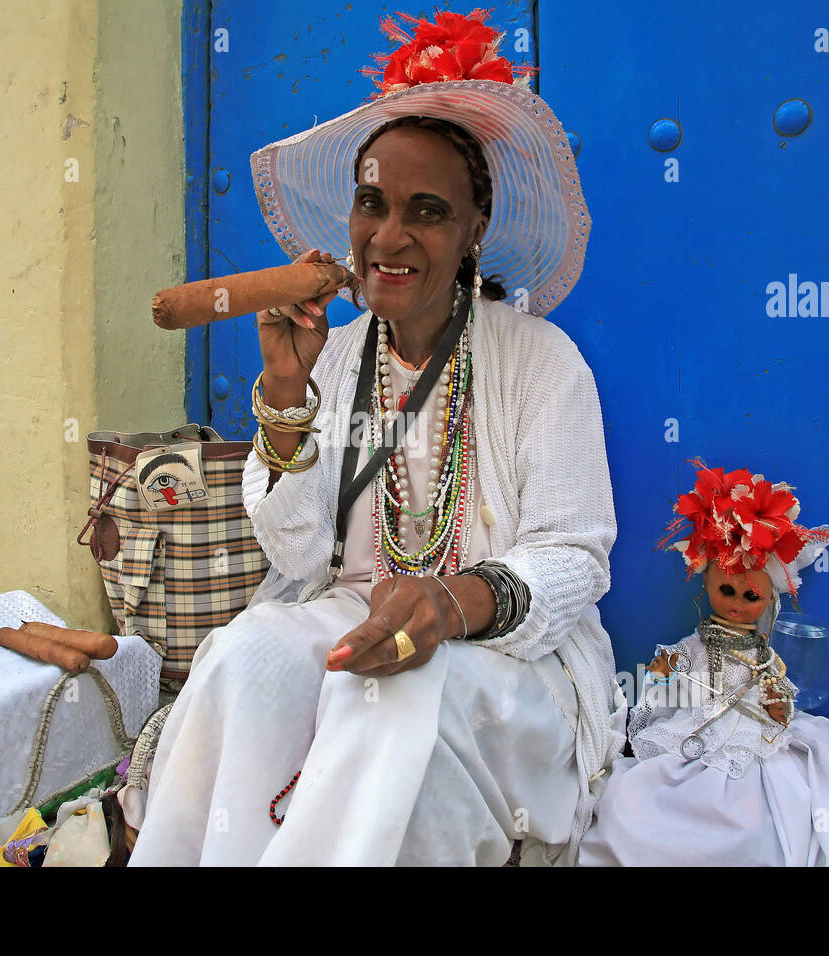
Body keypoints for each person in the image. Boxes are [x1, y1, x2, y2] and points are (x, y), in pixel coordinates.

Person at [128, 10, 625, 867]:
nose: (387, 239)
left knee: (388, 698)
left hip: (497, 657)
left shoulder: (541, 362)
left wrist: (451, 603)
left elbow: (577, 555)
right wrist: (285, 397)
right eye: (372, 204)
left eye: (426, 212)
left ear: (475, 229)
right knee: (241, 658)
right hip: (346, 611)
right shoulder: (339, 353)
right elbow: (297, 547)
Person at [578, 459, 829, 866]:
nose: (736, 603)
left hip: (747, 739)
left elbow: (780, 695)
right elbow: (663, 699)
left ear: (769, 600)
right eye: (726, 590)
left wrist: (777, 706)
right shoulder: (692, 647)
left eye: (750, 597)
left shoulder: (764, 657)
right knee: (640, 799)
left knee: (751, 817)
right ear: (706, 585)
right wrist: (662, 679)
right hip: (692, 731)